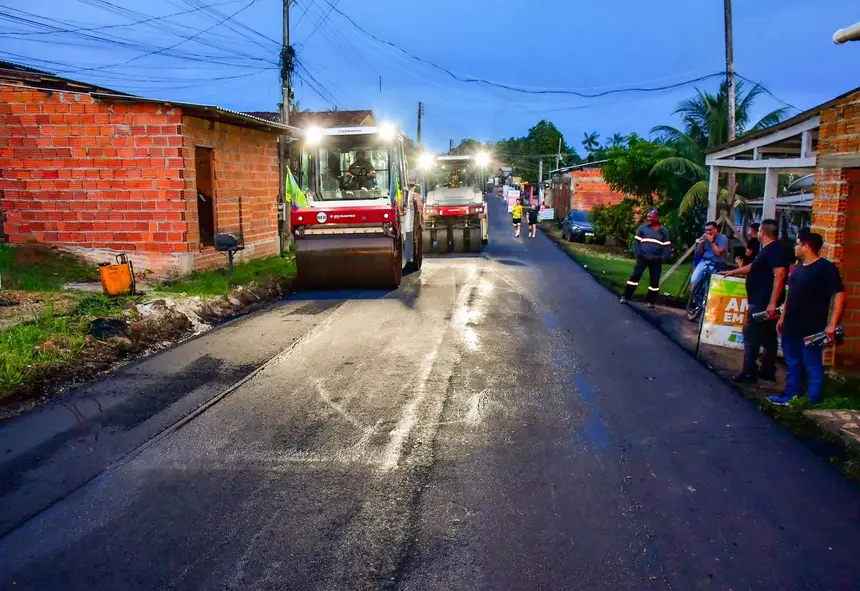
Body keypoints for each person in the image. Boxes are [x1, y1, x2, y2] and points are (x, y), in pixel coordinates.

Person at [769, 232, 845, 406]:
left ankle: (812, 400)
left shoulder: (825, 268)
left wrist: (832, 324)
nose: (795, 248)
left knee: (812, 364)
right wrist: (783, 316)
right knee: (792, 363)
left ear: (806, 246)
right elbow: (791, 294)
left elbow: (839, 294)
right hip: (791, 325)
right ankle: (791, 396)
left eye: (797, 244)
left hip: (812, 327)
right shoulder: (798, 268)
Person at [719, 219, 788, 383]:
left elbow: (780, 275)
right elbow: (754, 267)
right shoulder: (767, 250)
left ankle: (749, 371)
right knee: (769, 336)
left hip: (764, 302)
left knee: (750, 333)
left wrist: (772, 302)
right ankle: (767, 370)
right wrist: (733, 272)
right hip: (762, 300)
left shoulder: (775, 250)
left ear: (762, 233)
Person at [620, 210, 671, 309]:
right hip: (643, 257)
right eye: (648, 217)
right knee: (635, 276)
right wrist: (638, 254)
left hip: (656, 259)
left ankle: (651, 301)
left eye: (651, 217)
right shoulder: (642, 229)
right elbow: (636, 242)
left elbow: (667, 246)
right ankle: (625, 296)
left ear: (657, 218)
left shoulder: (664, 231)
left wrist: (663, 258)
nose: (649, 219)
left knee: (654, 281)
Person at [691, 221, 729, 290]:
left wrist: (711, 241)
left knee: (710, 285)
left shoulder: (723, 238)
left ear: (716, 229)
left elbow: (718, 253)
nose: (707, 232)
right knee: (694, 280)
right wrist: (700, 244)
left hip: (717, 263)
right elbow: (700, 253)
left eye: (710, 230)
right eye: (706, 230)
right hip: (705, 261)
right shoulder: (704, 237)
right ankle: (693, 297)